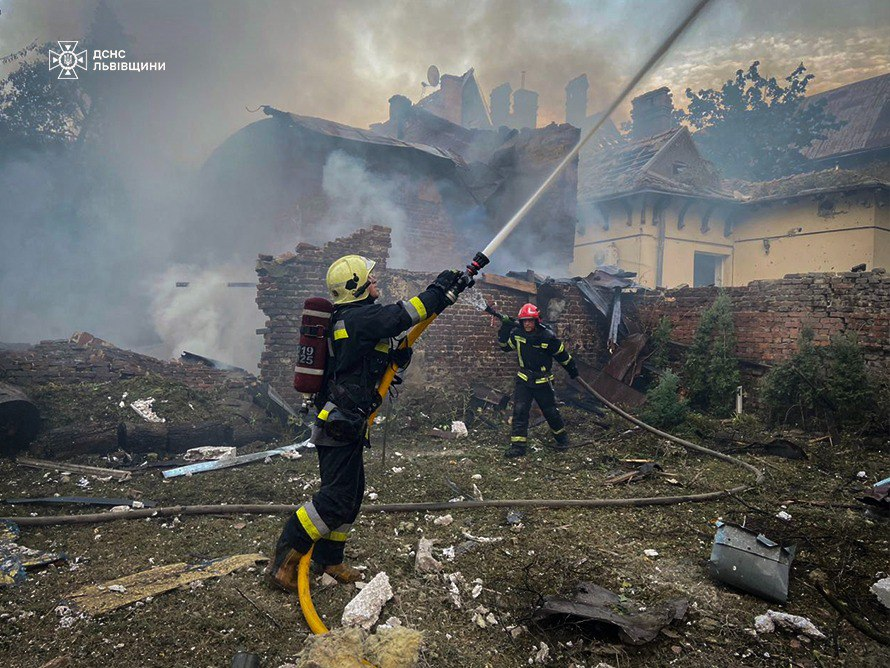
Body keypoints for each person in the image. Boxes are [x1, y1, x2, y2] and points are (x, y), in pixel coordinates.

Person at [268, 254, 462, 591]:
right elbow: (406, 314)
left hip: (347, 422)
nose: (375, 282)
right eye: (369, 278)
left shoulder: (351, 320)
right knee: (336, 499)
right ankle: (284, 561)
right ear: (355, 286)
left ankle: (330, 560)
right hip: (339, 423)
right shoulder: (360, 317)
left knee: (351, 494)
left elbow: (361, 362)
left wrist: (393, 357)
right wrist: (438, 289)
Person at [498, 303, 579, 458]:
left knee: (550, 412)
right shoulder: (517, 334)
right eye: (524, 321)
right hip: (524, 380)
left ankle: (562, 440)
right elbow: (505, 347)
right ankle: (518, 447)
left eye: (530, 320)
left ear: (536, 321)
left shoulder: (547, 337)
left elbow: (562, 355)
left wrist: (572, 370)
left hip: (543, 381)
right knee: (520, 411)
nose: (527, 324)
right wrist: (505, 328)